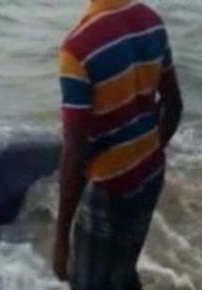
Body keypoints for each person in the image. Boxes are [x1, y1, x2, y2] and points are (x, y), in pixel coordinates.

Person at [53, 0, 183, 289]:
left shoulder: (78, 48)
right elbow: (174, 106)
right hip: (150, 174)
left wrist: (61, 237)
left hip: (110, 188)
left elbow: (74, 152)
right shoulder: (152, 21)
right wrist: (144, 153)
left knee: (89, 283)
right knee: (123, 273)